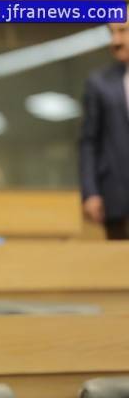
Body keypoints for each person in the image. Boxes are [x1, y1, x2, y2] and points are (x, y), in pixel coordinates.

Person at [79, 17, 129, 240]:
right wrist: (91, 192)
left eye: (123, 31)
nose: (115, 41)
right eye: (112, 33)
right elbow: (89, 142)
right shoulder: (99, 83)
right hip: (118, 200)